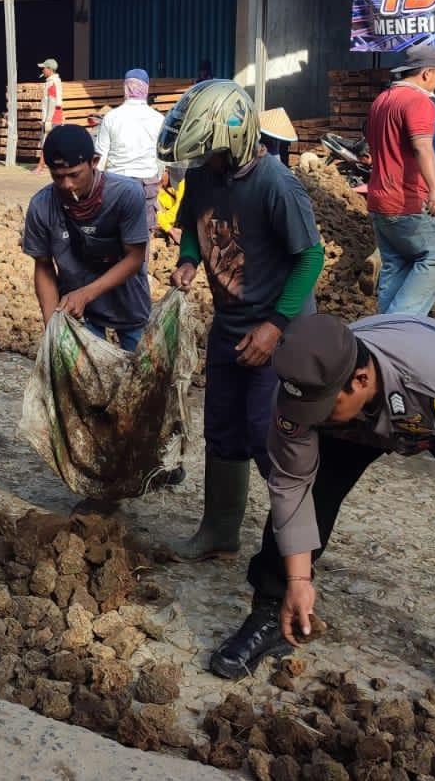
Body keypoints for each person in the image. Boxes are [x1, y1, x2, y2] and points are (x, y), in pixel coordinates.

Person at [208, 313, 435, 740]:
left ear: (361, 380)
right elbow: (290, 484)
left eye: (323, 407)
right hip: (357, 423)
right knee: (306, 499)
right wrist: (297, 578)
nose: (310, 417)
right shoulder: (303, 393)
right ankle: (273, 613)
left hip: (422, 405)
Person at [160, 80, 325, 562]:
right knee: (223, 428)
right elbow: (195, 227)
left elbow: (310, 258)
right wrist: (190, 260)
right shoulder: (205, 176)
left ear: (231, 142)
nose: (201, 161)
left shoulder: (277, 184)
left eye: (206, 152)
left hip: (281, 331)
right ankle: (219, 531)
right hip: (230, 327)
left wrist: (275, 327)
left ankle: (292, 551)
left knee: (267, 435)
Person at [25, 124, 151, 350]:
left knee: (141, 376)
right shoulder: (41, 206)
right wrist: (53, 328)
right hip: (79, 313)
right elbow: (43, 267)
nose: (67, 184)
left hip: (127, 302)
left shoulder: (126, 194)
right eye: (58, 176)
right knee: (84, 381)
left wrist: (85, 294)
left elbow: (134, 258)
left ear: (94, 162)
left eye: (74, 175)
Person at [364, 44, 435, 316]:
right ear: (426, 73)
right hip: (408, 200)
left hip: (379, 198)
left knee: (396, 264)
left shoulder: (383, 99)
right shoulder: (419, 102)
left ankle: (382, 335)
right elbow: (422, 147)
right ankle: (401, 326)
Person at [93, 68, 166, 232]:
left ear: (125, 88)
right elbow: (161, 157)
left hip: (117, 182)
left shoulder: (111, 117)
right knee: (143, 233)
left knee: (116, 231)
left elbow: (100, 156)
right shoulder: (158, 119)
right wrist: (157, 176)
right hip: (147, 183)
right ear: (146, 89)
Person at [34, 58, 65, 174]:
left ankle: (40, 167)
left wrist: (48, 120)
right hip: (53, 117)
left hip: (52, 118)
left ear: (50, 69)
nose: (42, 70)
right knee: (53, 142)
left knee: (46, 142)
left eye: (44, 68)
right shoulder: (52, 81)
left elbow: (54, 102)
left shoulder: (53, 83)